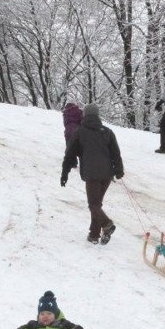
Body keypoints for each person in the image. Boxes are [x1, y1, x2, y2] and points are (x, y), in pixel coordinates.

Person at [62, 103, 124, 245]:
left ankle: (107, 224)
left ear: (85, 115)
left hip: (92, 175)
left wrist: (64, 173)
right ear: (97, 116)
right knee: (97, 204)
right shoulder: (107, 131)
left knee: (93, 205)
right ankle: (94, 235)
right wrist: (119, 170)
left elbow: (69, 154)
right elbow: (116, 153)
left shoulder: (80, 132)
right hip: (107, 175)